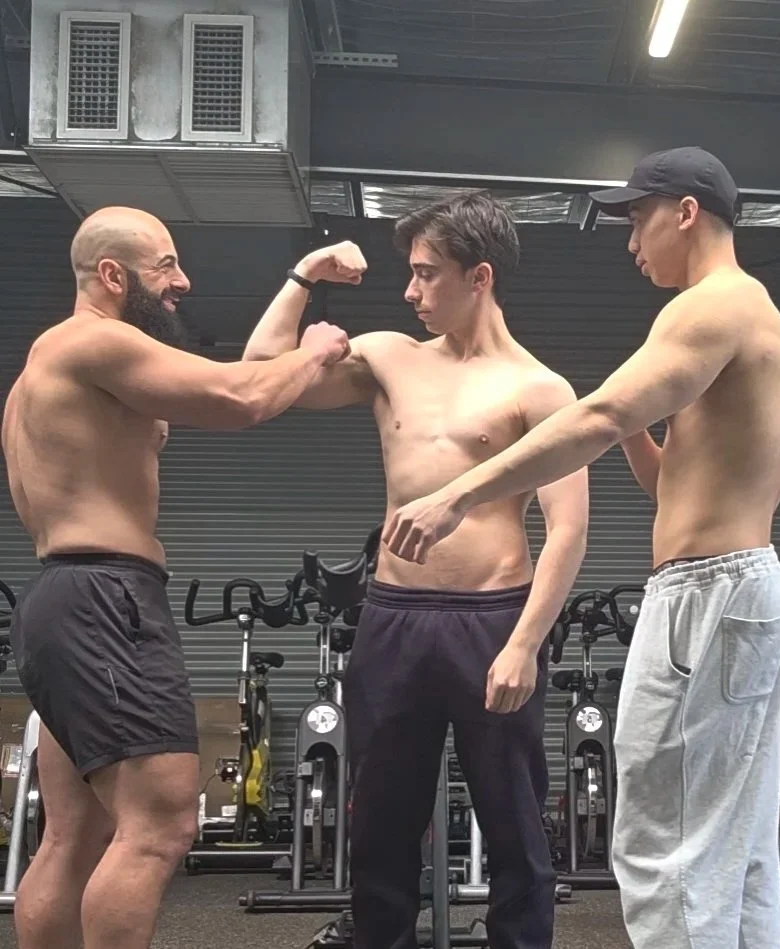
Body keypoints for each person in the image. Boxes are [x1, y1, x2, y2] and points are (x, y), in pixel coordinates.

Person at [382, 147, 780, 949]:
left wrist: (456, 493)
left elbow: (599, 416)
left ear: (685, 212)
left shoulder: (706, 305)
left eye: (638, 219)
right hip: (744, 586)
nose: (630, 240)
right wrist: (632, 424)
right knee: (732, 848)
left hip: (706, 595)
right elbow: (674, 484)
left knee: (664, 846)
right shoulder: (760, 316)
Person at [242, 192, 589, 949]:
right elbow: (260, 373)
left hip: (493, 620)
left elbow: (567, 529)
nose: (410, 291)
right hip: (394, 618)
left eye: (428, 274)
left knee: (515, 826)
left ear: (479, 277)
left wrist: (524, 645)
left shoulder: (539, 389)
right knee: (381, 824)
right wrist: (304, 274)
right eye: (411, 274)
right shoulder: (390, 358)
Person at [0, 205, 351, 949]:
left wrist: (300, 280)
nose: (182, 281)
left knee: (73, 836)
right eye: (165, 266)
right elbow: (241, 399)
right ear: (111, 274)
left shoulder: (48, 369)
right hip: (105, 599)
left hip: (63, 600)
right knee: (160, 827)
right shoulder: (95, 342)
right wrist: (319, 348)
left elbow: (247, 376)